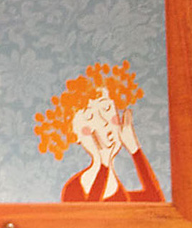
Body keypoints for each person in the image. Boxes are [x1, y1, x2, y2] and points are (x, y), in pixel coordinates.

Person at [33, 61, 165, 203]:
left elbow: (156, 201)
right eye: (90, 117)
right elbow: (91, 213)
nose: (104, 122)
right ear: (74, 134)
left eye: (107, 108)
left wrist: (134, 149)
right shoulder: (74, 188)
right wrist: (104, 165)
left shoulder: (121, 193)